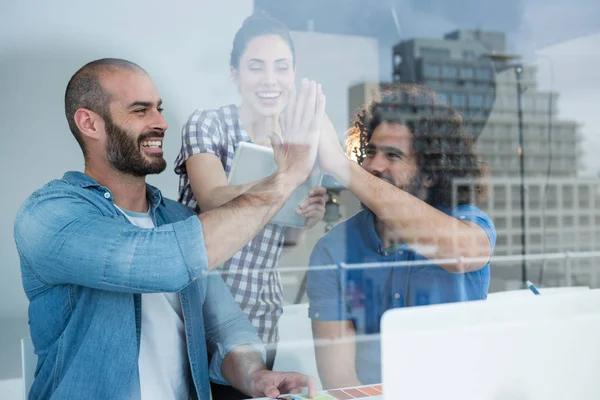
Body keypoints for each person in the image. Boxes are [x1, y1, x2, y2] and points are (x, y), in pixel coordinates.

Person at [13, 58, 325, 399]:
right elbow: (160, 261)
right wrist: (284, 180)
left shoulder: (178, 219)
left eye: (158, 109)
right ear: (90, 123)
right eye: (140, 110)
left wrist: (254, 375)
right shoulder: (48, 215)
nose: (160, 122)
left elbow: (225, 326)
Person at [174, 14, 327, 397]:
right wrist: (285, 180)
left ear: (293, 74)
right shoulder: (208, 125)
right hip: (204, 320)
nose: (270, 80)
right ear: (235, 73)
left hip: (263, 318)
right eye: (256, 67)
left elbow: (285, 242)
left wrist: (306, 214)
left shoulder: (297, 142)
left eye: (281, 67)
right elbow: (211, 196)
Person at [307, 84, 496, 388]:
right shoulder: (332, 250)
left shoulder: (466, 223)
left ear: (431, 172)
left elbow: (462, 254)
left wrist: (339, 166)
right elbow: (340, 380)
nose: (373, 166)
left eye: (393, 155)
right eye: (370, 152)